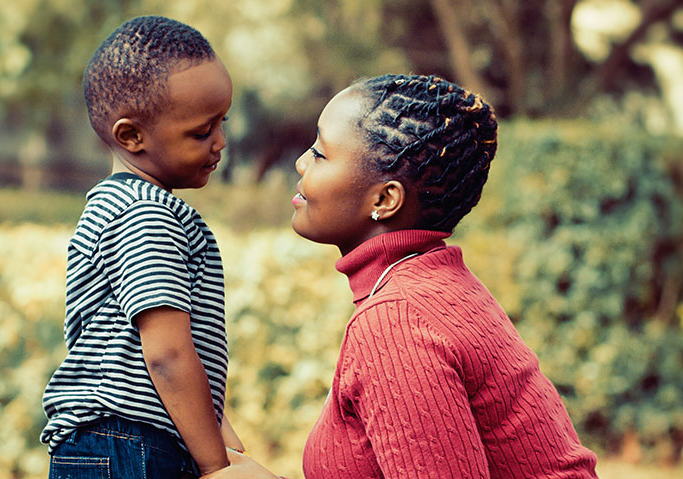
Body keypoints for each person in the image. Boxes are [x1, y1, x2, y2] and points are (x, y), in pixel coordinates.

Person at [220, 74, 600, 478]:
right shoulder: (437, 284)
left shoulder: (397, 321)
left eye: (321, 153)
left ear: (385, 199)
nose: (300, 161)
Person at [40, 16, 248, 479]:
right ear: (131, 136)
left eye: (222, 122)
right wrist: (215, 467)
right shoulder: (144, 214)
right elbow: (167, 356)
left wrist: (232, 451)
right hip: (127, 445)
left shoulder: (125, 206)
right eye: (201, 132)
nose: (220, 144)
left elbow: (176, 360)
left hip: (126, 441)